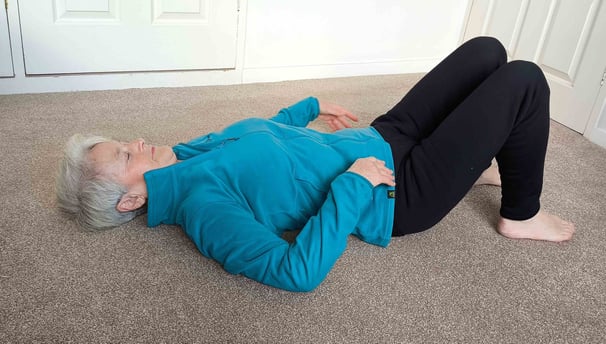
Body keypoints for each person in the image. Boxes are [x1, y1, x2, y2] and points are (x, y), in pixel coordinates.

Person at [56, 37, 575, 292]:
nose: (138, 141)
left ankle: (476, 166)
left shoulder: (184, 154)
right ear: (130, 199)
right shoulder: (202, 209)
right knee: (524, 80)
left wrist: (308, 108)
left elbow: (256, 133)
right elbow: (295, 272)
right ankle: (520, 213)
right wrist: (351, 186)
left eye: (123, 141)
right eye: (124, 155)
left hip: (377, 137)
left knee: (487, 51)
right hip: (394, 192)